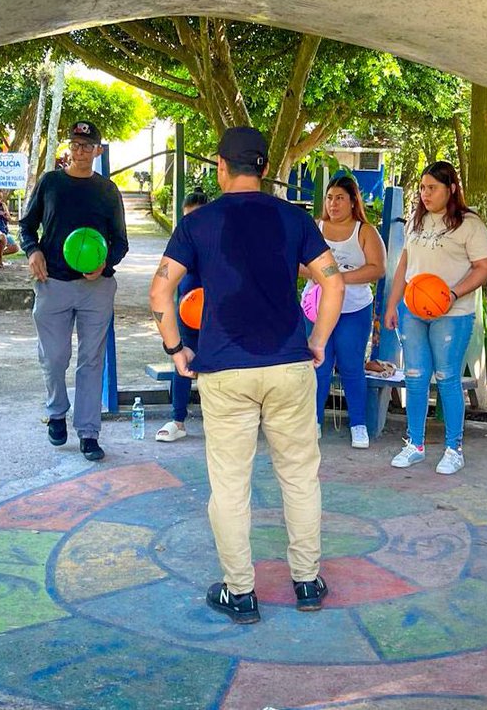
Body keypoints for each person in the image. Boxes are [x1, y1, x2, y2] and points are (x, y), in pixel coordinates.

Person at [148, 126, 345, 624]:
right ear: (262, 168)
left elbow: (159, 292)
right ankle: (306, 583)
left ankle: (240, 593)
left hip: (224, 369)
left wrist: (176, 348)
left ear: (221, 166)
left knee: (230, 486)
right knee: (299, 477)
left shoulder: (199, 223)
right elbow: (333, 282)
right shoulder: (293, 218)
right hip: (288, 364)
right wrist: (317, 340)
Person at [20, 121, 129, 460]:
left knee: (91, 359)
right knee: (54, 358)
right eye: (76, 144)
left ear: (98, 150)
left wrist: (105, 263)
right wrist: (33, 250)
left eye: (88, 145)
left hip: (96, 288)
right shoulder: (51, 182)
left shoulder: (108, 190)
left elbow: (121, 242)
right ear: (69, 148)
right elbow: (26, 226)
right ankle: (56, 412)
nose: (80, 151)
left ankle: (88, 432)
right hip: (53, 284)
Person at [384, 161, 487, 475]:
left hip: (453, 313)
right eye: (422, 187)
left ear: (452, 189)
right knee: (416, 376)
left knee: (447, 377)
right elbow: (403, 267)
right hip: (413, 311)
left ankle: (453, 448)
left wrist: (454, 293)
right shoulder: (415, 222)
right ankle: (415, 445)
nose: (425, 193)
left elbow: (485, 266)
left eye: (432, 187)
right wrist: (393, 306)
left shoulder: (469, 224)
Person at [300, 175, 385, 448]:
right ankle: (313, 421)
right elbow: (296, 264)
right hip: (316, 308)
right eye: (329, 198)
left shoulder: (365, 232)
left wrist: (339, 279)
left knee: (351, 366)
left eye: (340, 198)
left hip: (354, 309)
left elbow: (377, 268)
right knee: (317, 365)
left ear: (352, 202)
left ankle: (358, 424)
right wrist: (324, 278)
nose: (333, 204)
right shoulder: (314, 227)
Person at [155, 191, 207, 443]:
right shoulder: (182, 242)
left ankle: (219, 421)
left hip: (215, 316)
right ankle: (177, 420)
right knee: (182, 364)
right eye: (187, 218)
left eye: (196, 217)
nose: (192, 223)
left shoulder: (218, 242)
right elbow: (163, 285)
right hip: (186, 314)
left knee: (216, 367)